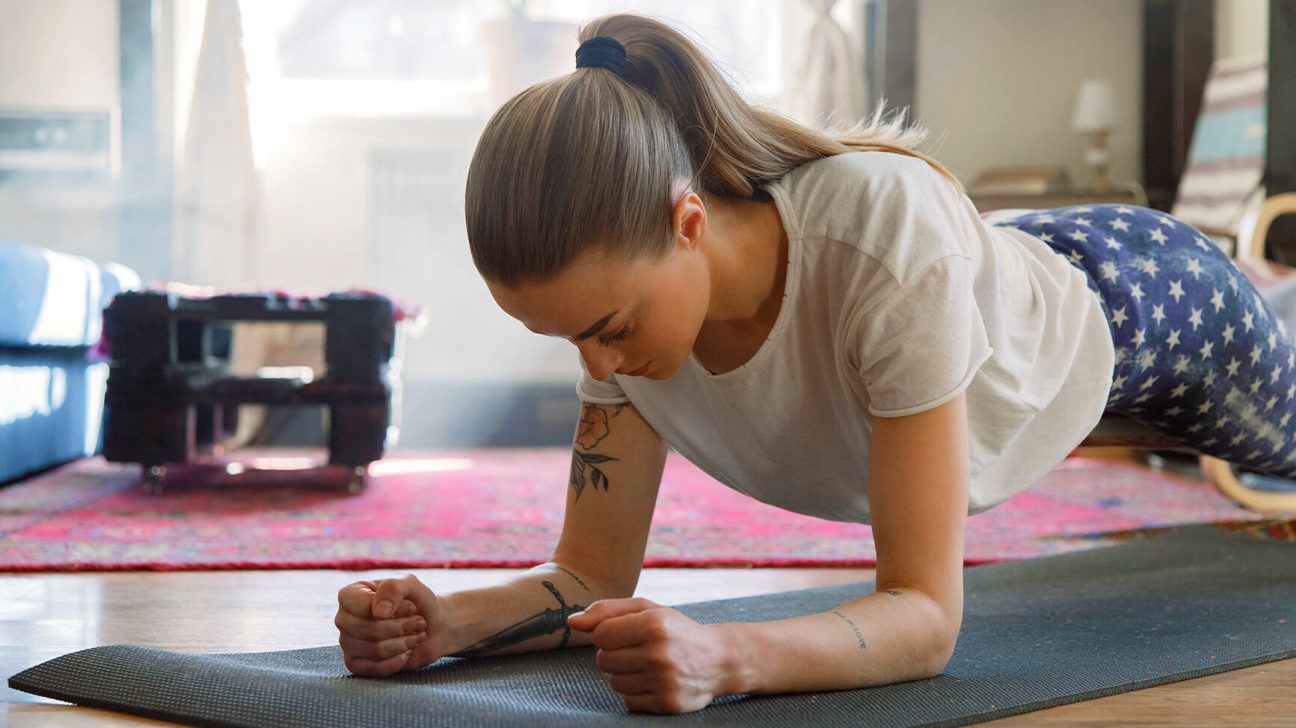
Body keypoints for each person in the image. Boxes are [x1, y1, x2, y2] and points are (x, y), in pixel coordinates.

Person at [333, 13, 1296, 715]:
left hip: (1149, 301)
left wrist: (727, 657)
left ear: (688, 223)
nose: (601, 363)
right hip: (992, 287)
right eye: (570, 340)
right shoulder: (626, 324)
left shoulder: (879, 239)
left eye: (610, 327)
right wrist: (449, 622)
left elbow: (924, 615)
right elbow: (589, 575)